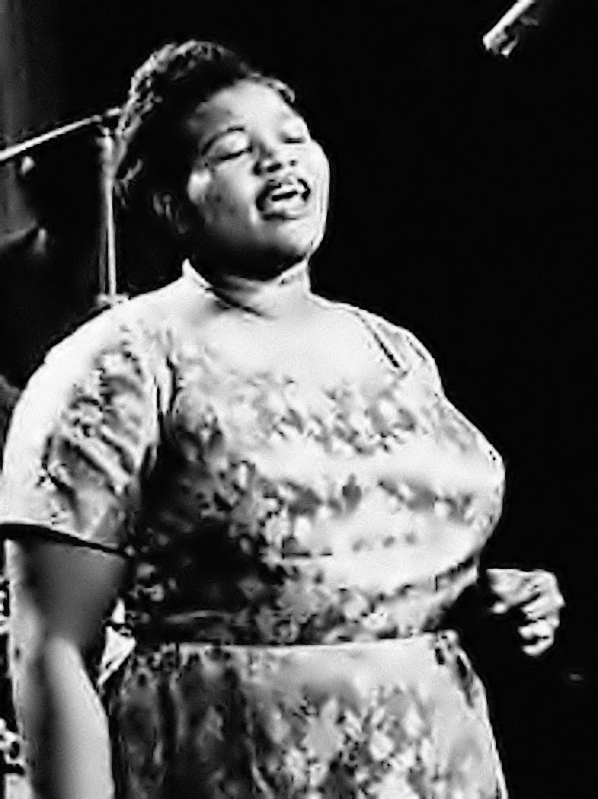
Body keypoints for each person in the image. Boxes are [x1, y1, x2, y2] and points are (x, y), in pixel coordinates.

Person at [0, 41, 563, 799]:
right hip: (234, 765)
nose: (278, 159)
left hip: (435, 763)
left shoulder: (393, 350)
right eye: (235, 150)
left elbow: (364, 576)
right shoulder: (122, 363)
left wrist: (484, 601)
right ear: (171, 201)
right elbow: (52, 647)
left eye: (293, 138)